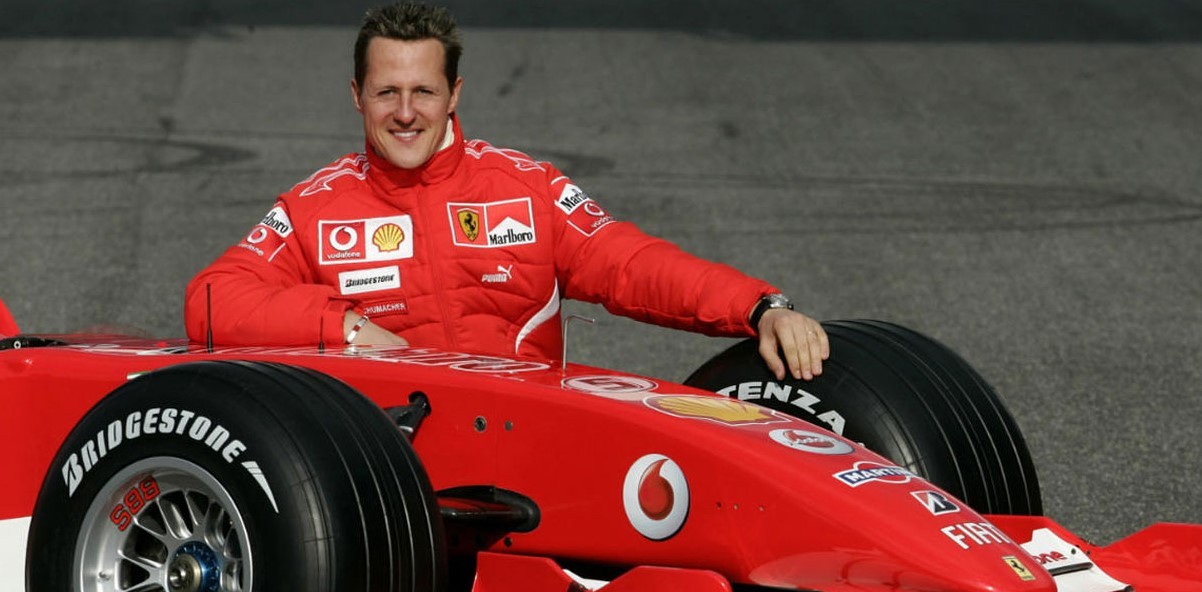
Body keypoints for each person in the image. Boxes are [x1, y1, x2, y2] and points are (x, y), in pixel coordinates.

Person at [185, 2, 828, 381]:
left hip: (530, 459)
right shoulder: (314, 207)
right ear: (357, 96)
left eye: (424, 91)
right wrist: (345, 328)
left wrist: (759, 306)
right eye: (386, 92)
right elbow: (212, 300)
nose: (405, 113)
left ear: (454, 94)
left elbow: (631, 264)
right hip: (383, 471)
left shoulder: (527, 188)